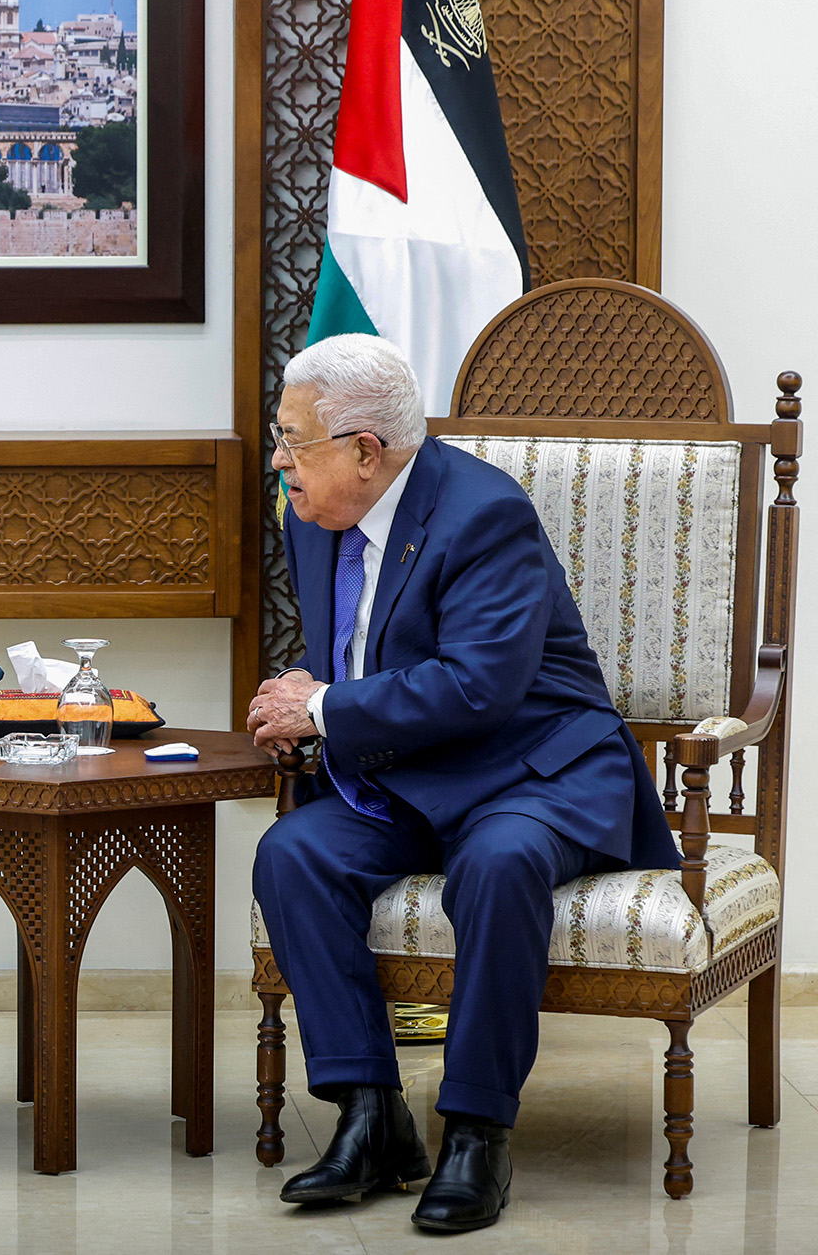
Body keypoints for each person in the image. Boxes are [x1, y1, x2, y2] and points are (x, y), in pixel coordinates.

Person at [245, 334, 679, 1234]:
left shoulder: (485, 513)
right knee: (293, 852)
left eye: (292, 439)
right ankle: (371, 1116)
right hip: (413, 777)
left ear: (366, 450)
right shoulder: (311, 514)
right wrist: (303, 697)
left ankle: (478, 1132)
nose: (280, 459)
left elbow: (479, 684)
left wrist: (323, 707)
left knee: (501, 859)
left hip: (533, 766)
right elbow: (368, 648)